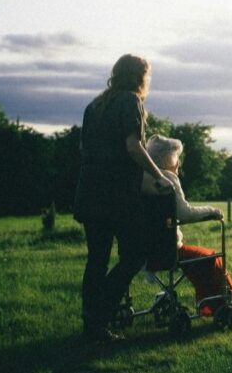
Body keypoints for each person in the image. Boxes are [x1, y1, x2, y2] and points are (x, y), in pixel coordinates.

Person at [73, 54, 174, 343]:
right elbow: (133, 146)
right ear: (140, 76)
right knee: (134, 255)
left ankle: (92, 325)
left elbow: (84, 147)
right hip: (116, 194)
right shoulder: (131, 101)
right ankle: (101, 314)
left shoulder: (95, 105)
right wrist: (159, 175)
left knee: (97, 260)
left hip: (89, 190)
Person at [141, 134, 232, 319]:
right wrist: (212, 211)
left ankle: (211, 305)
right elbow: (185, 213)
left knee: (198, 259)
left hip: (143, 250)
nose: (178, 163)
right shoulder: (168, 179)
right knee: (210, 257)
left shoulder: (141, 178)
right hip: (167, 249)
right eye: (176, 158)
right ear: (167, 159)